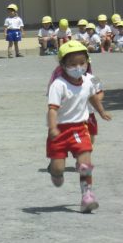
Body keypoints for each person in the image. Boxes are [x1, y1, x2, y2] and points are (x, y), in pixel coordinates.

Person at [46, 41, 111, 213]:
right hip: (60, 131)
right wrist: (52, 128)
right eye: (72, 64)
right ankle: (54, 171)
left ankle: (87, 196)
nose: (78, 67)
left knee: (85, 165)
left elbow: (93, 97)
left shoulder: (90, 80)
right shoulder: (58, 85)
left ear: (88, 62)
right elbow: (52, 109)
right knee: (59, 168)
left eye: (82, 63)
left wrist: (101, 111)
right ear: (63, 65)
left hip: (80, 128)